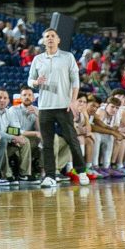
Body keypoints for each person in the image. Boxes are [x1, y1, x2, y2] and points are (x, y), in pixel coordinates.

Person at [27, 28, 89, 187]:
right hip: (45, 108)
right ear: (43, 40)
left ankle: (81, 171)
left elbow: (75, 81)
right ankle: (50, 176)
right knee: (47, 144)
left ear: (58, 40)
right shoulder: (38, 59)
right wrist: (35, 83)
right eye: (47, 36)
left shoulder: (68, 57)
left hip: (64, 106)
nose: (50, 39)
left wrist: (73, 101)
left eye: (53, 36)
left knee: (72, 139)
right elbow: (30, 80)